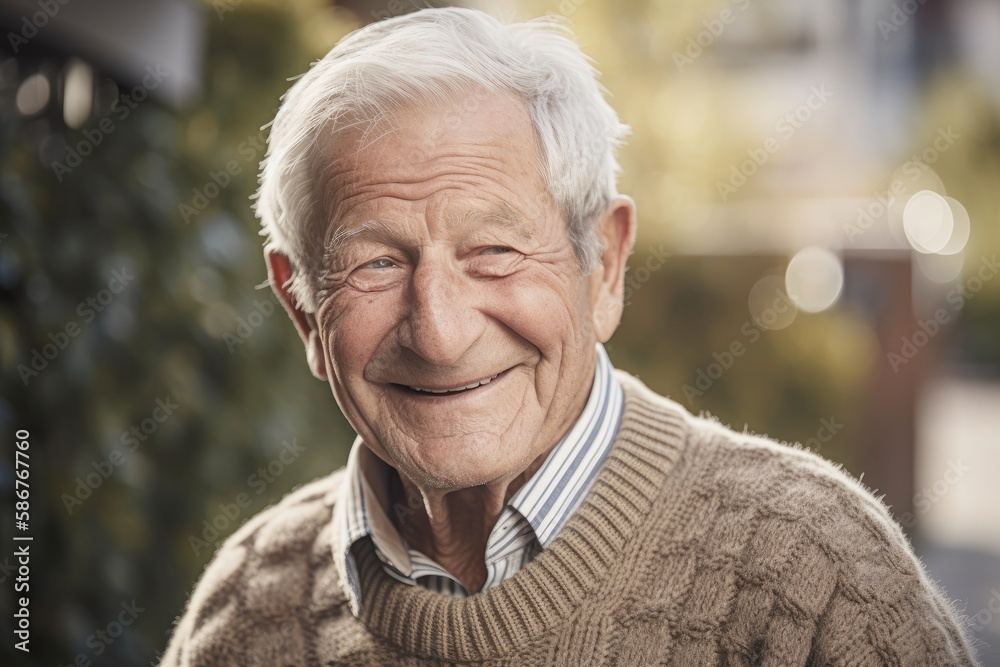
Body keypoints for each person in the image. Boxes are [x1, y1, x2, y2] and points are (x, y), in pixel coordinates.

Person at [161, 7, 979, 666]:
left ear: (606, 266)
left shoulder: (811, 578)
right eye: (375, 262)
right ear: (303, 307)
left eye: (495, 251)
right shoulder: (247, 616)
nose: (440, 333)